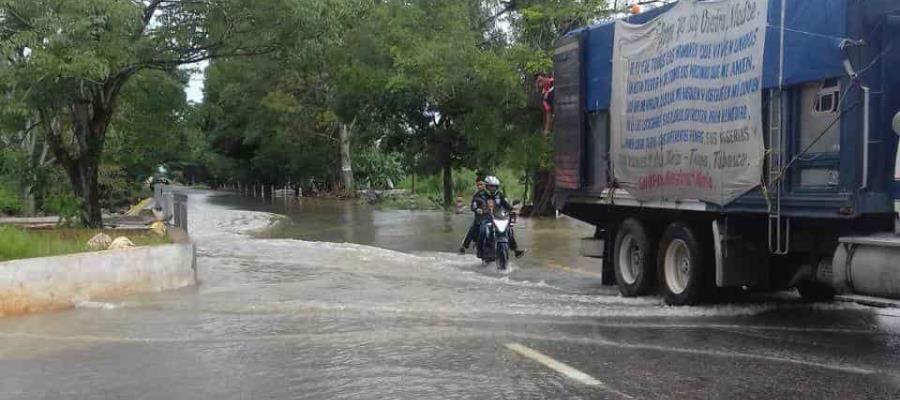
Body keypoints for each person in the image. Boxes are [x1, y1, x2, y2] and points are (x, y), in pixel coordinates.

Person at [479, 176, 526, 258]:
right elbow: (475, 204)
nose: (492, 188)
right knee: (482, 230)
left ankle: (515, 250)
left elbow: (507, 205)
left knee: (509, 230)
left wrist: (513, 209)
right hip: (486, 218)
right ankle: (481, 251)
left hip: (498, 217)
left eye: (494, 186)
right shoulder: (481, 195)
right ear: (486, 186)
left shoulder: (500, 195)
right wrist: (478, 209)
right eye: (491, 186)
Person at [459, 178, 487, 254]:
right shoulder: (476, 195)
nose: (479, 186)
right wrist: (477, 209)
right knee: (472, 230)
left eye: (481, 184)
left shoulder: (490, 194)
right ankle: (464, 246)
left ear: (484, 184)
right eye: (478, 185)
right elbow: (473, 206)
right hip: (480, 218)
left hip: (490, 216)